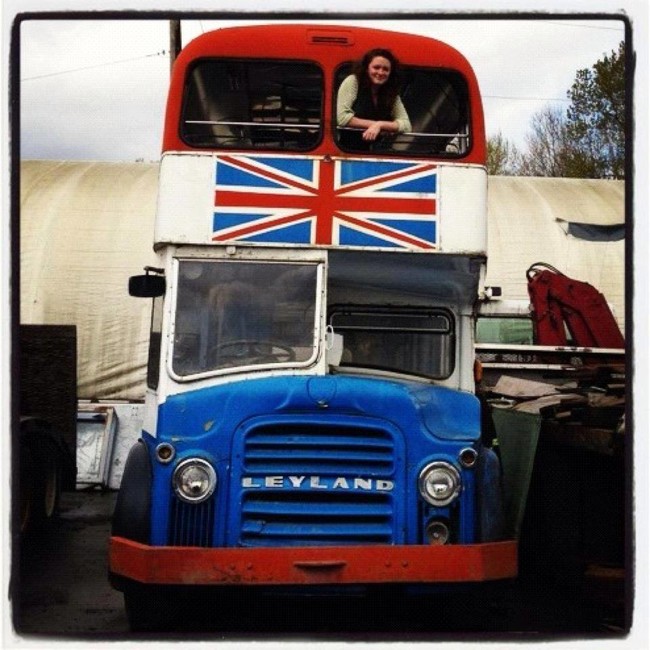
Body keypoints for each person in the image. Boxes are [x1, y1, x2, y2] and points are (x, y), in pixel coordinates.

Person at [336, 48, 411, 146]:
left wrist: (380, 125)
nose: (380, 72)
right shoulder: (353, 81)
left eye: (386, 69)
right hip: (346, 150)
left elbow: (406, 125)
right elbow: (342, 118)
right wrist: (374, 125)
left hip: (375, 151)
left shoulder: (391, 91)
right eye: (376, 67)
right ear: (367, 68)